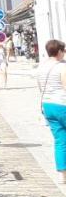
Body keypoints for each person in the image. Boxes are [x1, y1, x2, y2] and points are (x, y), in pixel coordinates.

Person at [38, 39, 66, 186]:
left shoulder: (41, 67)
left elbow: (40, 87)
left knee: (60, 141)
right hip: (62, 105)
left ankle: (63, 176)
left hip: (47, 105)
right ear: (59, 51)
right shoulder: (62, 67)